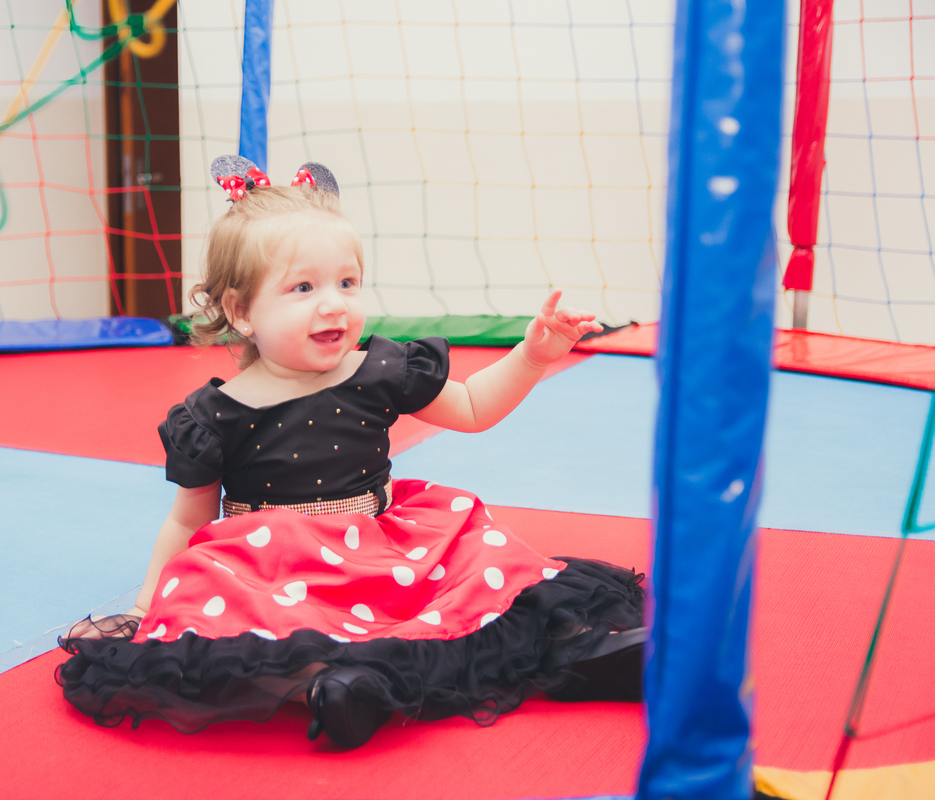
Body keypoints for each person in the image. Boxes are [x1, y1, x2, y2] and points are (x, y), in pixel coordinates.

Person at [56, 157, 646, 749]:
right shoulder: (215, 415)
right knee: (234, 616)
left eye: (347, 283)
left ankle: (582, 652)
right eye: (303, 288)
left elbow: (471, 408)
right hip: (275, 572)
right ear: (241, 312)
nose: (334, 304)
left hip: (384, 552)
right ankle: (333, 688)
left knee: (484, 559)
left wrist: (533, 356)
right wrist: (147, 609)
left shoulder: (380, 370)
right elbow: (189, 521)